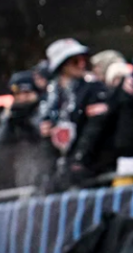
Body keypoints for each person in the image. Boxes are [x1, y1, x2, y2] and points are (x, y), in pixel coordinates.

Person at [38, 38, 114, 190]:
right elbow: (45, 130)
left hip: (91, 166)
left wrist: (78, 161)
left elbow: (94, 129)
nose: (81, 64)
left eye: (83, 60)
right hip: (60, 167)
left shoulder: (93, 88)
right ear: (62, 65)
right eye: (74, 61)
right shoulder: (51, 95)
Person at [0, 71, 51, 191]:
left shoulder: (47, 111)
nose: (22, 98)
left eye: (26, 93)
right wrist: (11, 122)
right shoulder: (10, 118)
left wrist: (28, 122)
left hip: (47, 176)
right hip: (21, 180)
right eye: (17, 94)